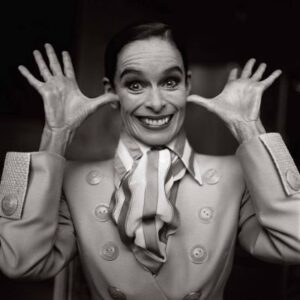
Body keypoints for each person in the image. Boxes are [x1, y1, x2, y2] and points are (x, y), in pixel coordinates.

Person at [0, 22, 300, 300]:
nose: (156, 104)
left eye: (170, 82)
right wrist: (56, 134)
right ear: (111, 91)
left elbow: (294, 242)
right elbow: (22, 263)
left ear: (187, 86)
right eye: (134, 85)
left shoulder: (235, 176)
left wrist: (249, 128)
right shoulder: (73, 181)